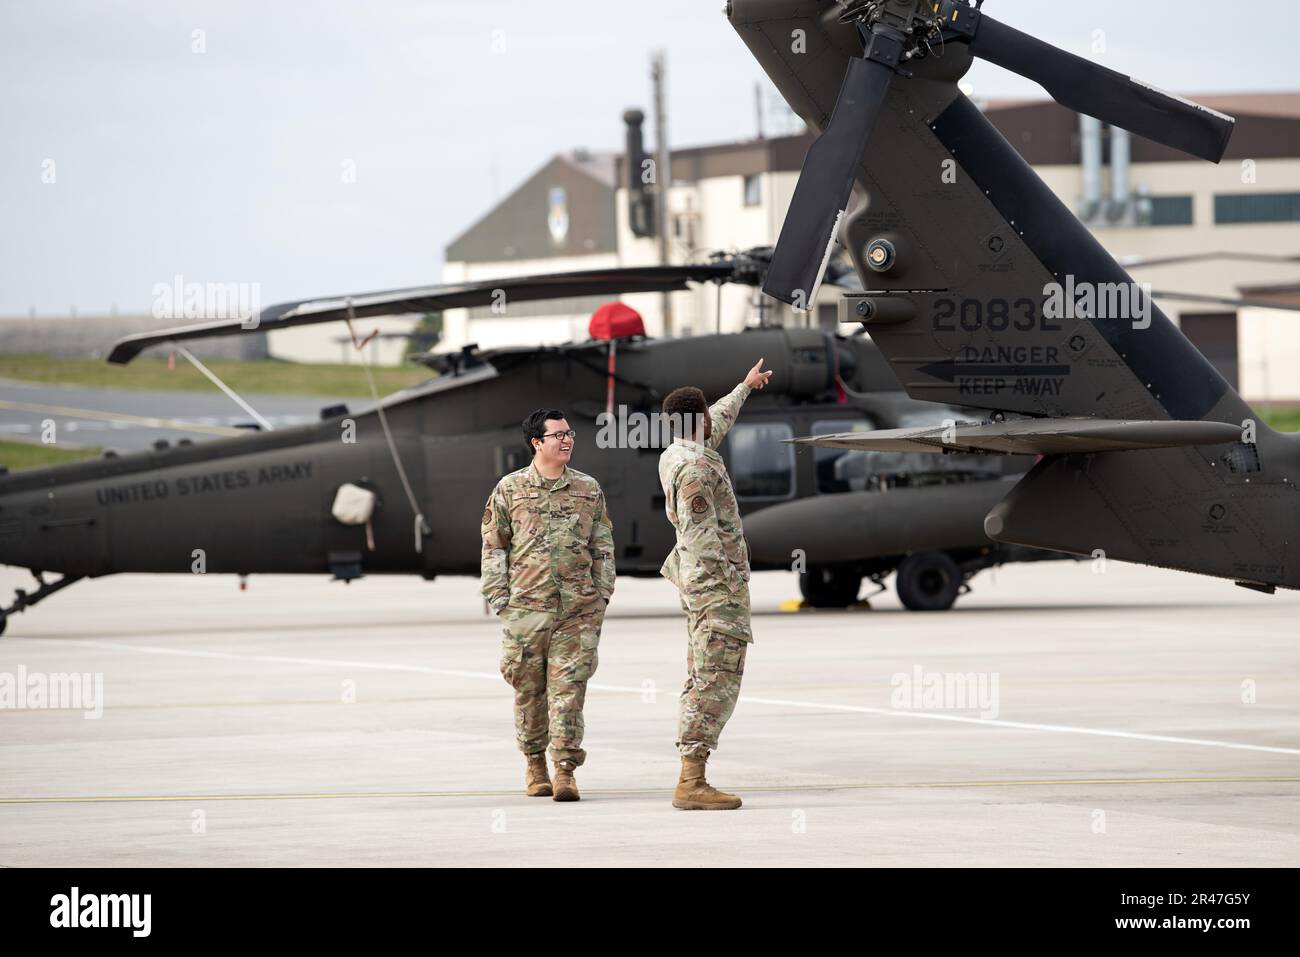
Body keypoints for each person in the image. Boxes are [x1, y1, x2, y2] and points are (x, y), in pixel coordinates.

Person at [480, 409, 615, 802]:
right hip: (526, 610)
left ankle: (566, 771)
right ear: (537, 443)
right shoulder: (510, 489)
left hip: (577, 612)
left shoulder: (588, 489)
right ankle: (535, 765)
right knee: (529, 692)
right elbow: (493, 547)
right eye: (557, 435)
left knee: (569, 692)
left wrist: (601, 594)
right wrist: (501, 600)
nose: (566, 440)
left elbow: (602, 545)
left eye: (569, 433)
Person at [658, 359, 772, 810]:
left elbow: (718, 417)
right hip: (714, 589)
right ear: (697, 420)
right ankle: (692, 780)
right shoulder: (696, 473)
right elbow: (700, 538)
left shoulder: (680, 452)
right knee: (714, 678)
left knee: (705, 673)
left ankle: (693, 774)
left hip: (702, 587)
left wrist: (744, 387)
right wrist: (726, 590)